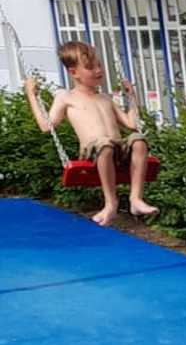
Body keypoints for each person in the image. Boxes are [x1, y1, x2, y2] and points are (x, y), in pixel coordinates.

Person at [25, 43, 156, 228]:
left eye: (99, 65)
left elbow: (131, 124)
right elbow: (46, 126)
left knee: (139, 141)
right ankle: (111, 203)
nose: (98, 70)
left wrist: (132, 98)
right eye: (90, 67)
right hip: (93, 153)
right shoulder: (66, 97)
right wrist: (31, 95)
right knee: (105, 145)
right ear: (73, 72)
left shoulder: (105, 98)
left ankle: (135, 199)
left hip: (117, 150)